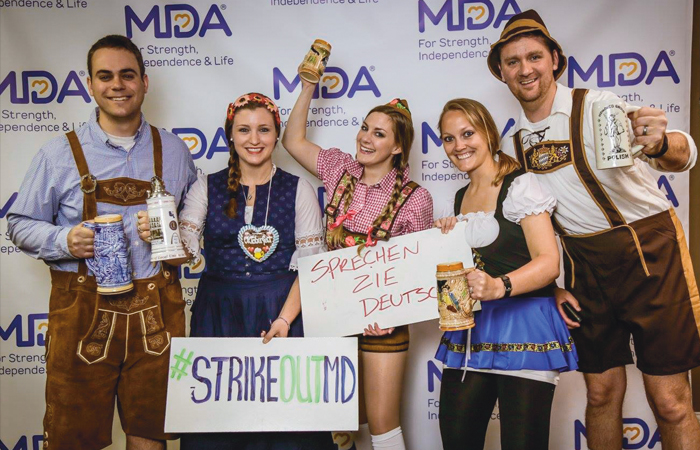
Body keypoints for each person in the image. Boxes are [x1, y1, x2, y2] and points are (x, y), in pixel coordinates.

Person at [489, 9, 700, 450]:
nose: (525, 69)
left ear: (554, 60)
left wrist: (660, 143)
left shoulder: (598, 105)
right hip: (585, 269)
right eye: (513, 62)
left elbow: (679, 154)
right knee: (601, 393)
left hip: (648, 253)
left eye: (534, 57)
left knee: (672, 401)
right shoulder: (513, 145)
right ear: (502, 73)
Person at [7, 35, 197, 450]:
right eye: (105, 76)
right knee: (74, 440)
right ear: (90, 85)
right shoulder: (58, 154)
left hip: (157, 314)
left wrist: (171, 238)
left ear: (145, 82)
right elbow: (18, 223)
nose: (117, 85)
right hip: (82, 313)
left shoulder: (176, 151)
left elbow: (195, 229)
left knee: (150, 435)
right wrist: (64, 239)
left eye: (127, 75)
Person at [136, 92, 333, 450]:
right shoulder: (206, 186)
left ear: (276, 135)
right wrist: (159, 237)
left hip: (282, 311)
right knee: (217, 427)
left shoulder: (298, 188)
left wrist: (286, 320)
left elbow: (311, 267)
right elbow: (185, 252)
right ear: (230, 135)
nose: (254, 140)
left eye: (264, 130)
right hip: (218, 315)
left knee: (288, 428)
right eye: (244, 130)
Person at [282, 81, 433, 450]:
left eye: (379, 134)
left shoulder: (416, 199)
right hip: (332, 316)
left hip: (383, 323)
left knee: (382, 423)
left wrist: (394, 314)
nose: (365, 138)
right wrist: (307, 87)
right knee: (335, 425)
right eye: (365, 127)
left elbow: (419, 269)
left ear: (397, 147)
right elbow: (293, 141)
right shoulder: (339, 170)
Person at [433, 98, 578, 450]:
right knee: (457, 441)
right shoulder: (459, 197)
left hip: (525, 326)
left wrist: (500, 286)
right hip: (472, 333)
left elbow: (548, 262)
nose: (459, 146)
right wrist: (447, 245)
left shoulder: (521, 185)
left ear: (488, 133)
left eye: (467, 134)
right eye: (449, 139)